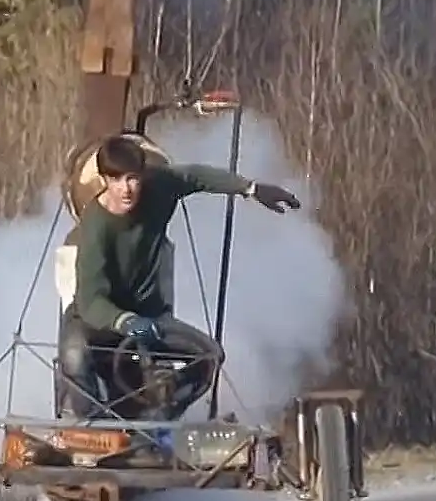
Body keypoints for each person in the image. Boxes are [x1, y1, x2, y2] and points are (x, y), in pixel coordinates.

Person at [60, 134, 303, 418]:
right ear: (103, 179)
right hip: (98, 321)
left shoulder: (159, 186)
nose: (126, 189)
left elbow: (196, 176)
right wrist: (125, 321)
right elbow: (91, 301)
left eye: (132, 179)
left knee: (209, 356)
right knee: (74, 355)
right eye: (116, 180)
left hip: (150, 317)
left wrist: (250, 188)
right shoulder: (95, 226)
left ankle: (157, 418)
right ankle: (90, 430)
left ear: (143, 176)